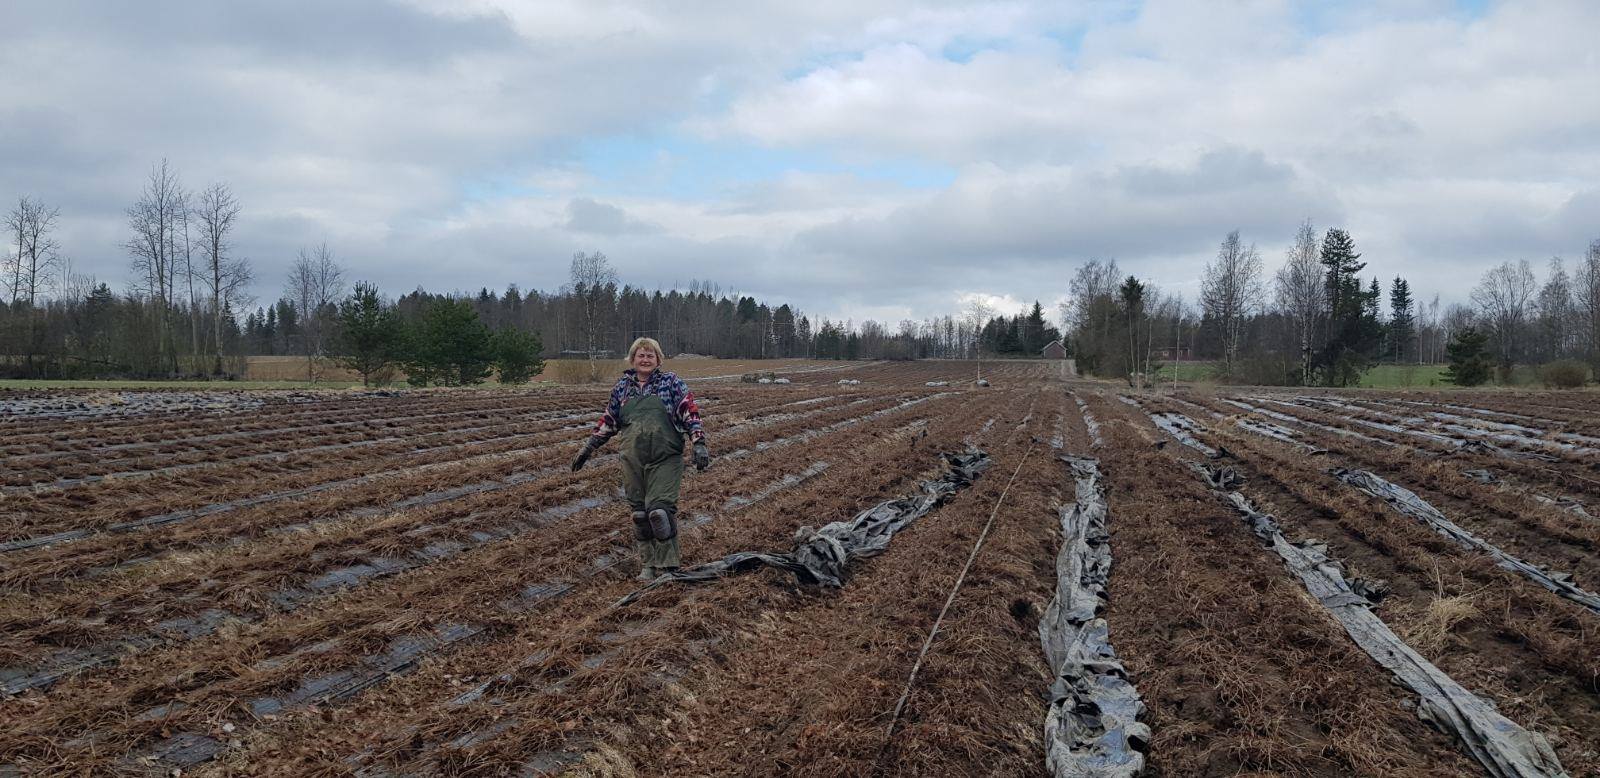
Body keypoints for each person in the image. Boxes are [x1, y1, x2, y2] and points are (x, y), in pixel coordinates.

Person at [571, 337, 711, 580]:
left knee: (659, 511)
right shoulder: (622, 388)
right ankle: (648, 565)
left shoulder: (671, 383)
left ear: (658, 360)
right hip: (632, 459)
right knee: (639, 515)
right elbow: (609, 421)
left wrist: (699, 442)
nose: (645, 359)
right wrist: (589, 446)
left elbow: (690, 412)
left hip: (665, 457)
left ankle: (668, 566)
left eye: (650, 355)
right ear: (633, 359)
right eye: (641, 355)